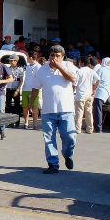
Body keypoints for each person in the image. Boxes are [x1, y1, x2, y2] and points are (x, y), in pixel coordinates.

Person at [29, 45, 78, 174]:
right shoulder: (42, 70)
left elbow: (73, 80)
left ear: (62, 57)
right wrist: (30, 104)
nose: (54, 58)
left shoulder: (68, 66)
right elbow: (35, 88)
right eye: (52, 55)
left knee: (70, 137)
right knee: (49, 138)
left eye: (57, 56)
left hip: (66, 110)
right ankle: (53, 164)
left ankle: (67, 155)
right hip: (48, 111)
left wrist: (60, 67)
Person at [74, 57, 100, 134]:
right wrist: (94, 89)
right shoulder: (92, 71)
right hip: (89, 94)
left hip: (80, 94)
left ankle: (78, 129)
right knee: (89, 112)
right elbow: (98, 80)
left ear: (81, 63)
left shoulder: (78, 71)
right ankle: (90, 129)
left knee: (79, 112)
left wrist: (73, 90)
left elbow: (75, 83)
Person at [93, 57, 110, 133]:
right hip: (107, 92)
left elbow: (95, 80)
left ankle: (98, 128)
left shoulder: (101, 69)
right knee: (99, 110)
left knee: (98, 111)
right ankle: (98, 126)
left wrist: (93, 90)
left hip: (99, 92)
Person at [21, 51, 41, 129]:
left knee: (34, 108)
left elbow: (39, 79)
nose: (27, 59)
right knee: (25, 107)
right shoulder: (27, 66)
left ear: (32, 58)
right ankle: (26, 123)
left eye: (28, 58)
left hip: (34, 90)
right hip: (25, 89)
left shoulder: (38, 67)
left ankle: (35, 124)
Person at [4, 53, 24, 118]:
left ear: (16, 61)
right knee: (8, 105)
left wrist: (17, 90)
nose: (11, 62)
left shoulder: (20, 69)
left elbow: (21, 81)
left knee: (17, 106)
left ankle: (17, 121)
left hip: (16, 89)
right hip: (9, 89)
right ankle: (8, 121)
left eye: (12, 60)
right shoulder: (7, 69)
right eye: (10, 60)